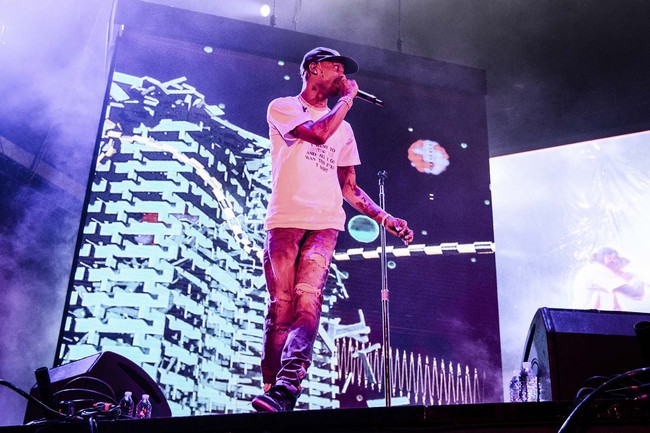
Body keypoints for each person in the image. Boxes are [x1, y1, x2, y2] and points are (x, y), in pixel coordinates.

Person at [252, 47, 414, 412]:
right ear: (313, 69)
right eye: (335, 67)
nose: (342, 74)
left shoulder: (346, 130)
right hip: (284, 221)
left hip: (324, 224)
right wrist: (348, 102)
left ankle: (286, 388)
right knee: (282, 308)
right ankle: (271, 387)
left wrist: (386, 219)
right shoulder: (284, 107)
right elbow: (317, 134)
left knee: (308, 302)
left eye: (345, 70)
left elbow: (350, 189)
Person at [572, 246, 646, 311]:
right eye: (621, 262)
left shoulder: (607, 284)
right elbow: (635, 294)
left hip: (591, 321)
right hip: (585, 321)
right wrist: (638, 278)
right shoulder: (596, 269)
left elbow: (618, 309)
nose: (622, 268)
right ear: (609, 258)